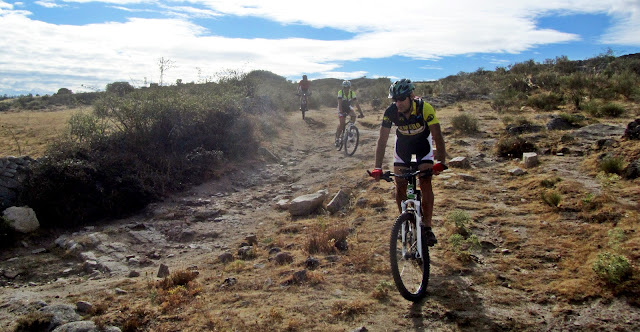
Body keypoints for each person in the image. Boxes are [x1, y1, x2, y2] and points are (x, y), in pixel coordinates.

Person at [369, 79, 447, 246]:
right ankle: (403, 220)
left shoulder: (424, 108)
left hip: (422, 145)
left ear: (411, 96)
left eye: (402, 99)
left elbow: (437, 136)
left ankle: (427, 227)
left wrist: (440, 161)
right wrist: (377, 167)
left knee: (425, 181)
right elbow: (382, 140)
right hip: (403, 146)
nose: (398, 103)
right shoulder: (390, 112)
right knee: (400, 183)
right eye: (395, 100)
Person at [335, 80, 364, 146]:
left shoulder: (352, 93)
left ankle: (349, 130)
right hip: (341, 108)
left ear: (349, 87)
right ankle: (337, 139)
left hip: (348, 107)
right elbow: (339, 103)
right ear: (343, 87)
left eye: (347, 87)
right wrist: (342, 112)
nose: (346, 89)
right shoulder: (340, 92)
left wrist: (361, 113)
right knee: (342, 124)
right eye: (345, 87)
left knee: (354, 116)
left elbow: (357, 104)